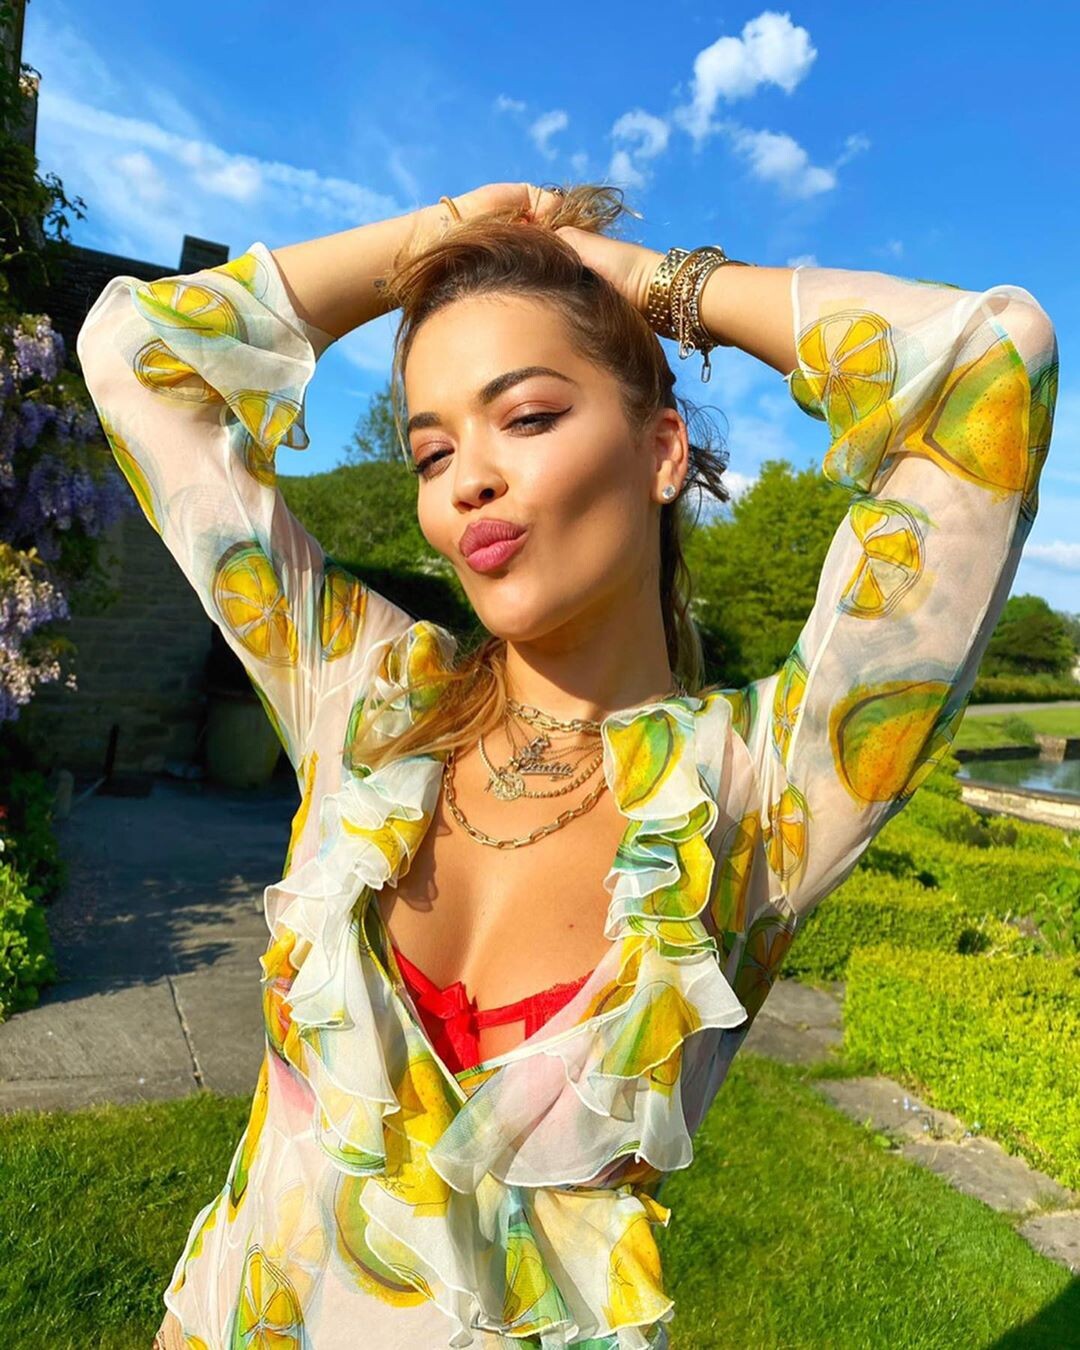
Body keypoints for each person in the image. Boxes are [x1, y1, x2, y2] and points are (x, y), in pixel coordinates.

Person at [75, 181, 1057, 1350]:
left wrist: (651, 282)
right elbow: (136, 356)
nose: (467, 481)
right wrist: (432, 241)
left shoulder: (767, 793)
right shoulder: (367, 702)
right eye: (432, 450)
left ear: (661, 451)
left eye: (528, 416)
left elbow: (993, 364)